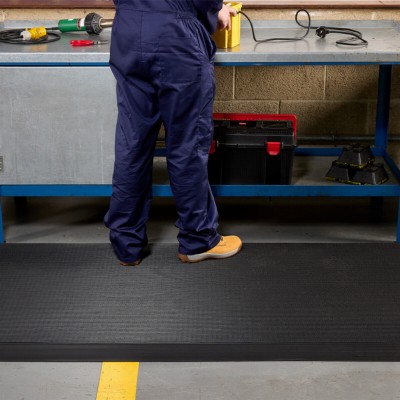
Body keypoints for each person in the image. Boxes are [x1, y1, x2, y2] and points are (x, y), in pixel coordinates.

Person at [105, 0, 242, 266]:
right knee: (187, 143)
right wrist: (218, 9)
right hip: (175, 36)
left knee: (132, 143)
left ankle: (126, 245)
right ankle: (198, 240)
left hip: (129, 31)